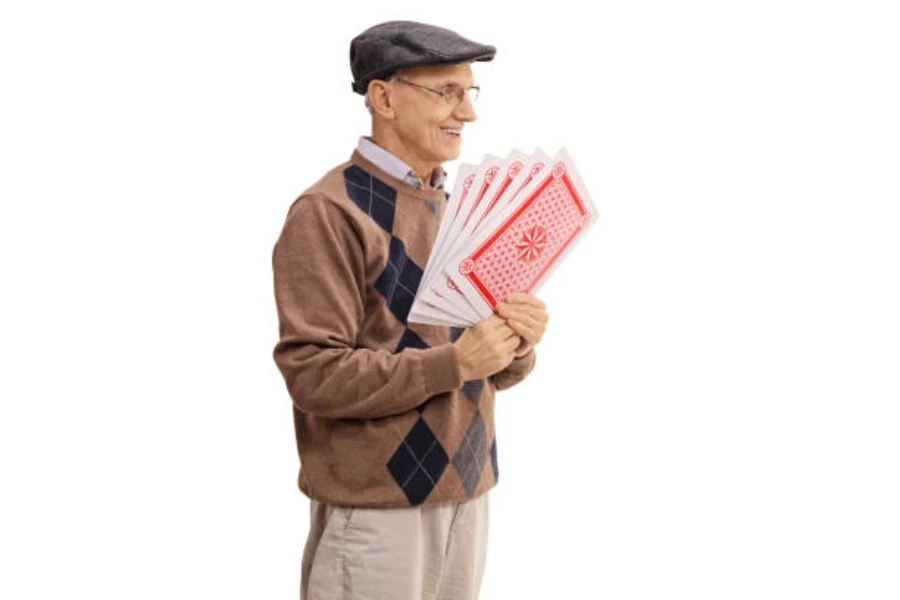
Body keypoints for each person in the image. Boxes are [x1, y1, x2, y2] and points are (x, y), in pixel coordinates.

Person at [271, 20, 549, 600]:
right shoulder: (327, 212)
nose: (467, 113)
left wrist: (514, 345)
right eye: (446, 92)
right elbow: (313, 375)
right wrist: (455, 362)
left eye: (469, 92)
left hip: (467, 491)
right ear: (383, 97)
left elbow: (480, 363)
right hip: (377, 508)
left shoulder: (459, 207)